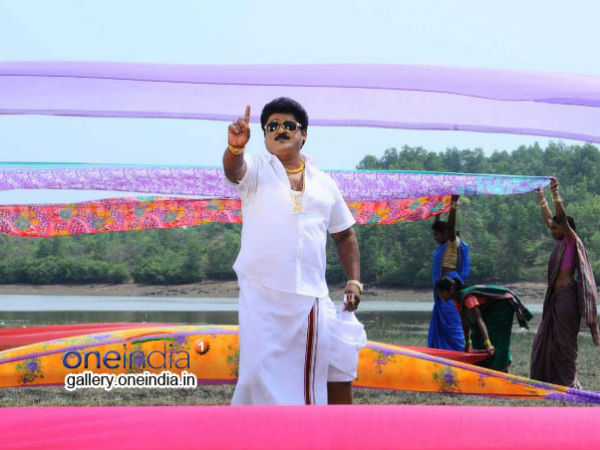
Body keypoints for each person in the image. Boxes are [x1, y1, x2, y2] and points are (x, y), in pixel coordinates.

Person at [222, 98, 366, 405]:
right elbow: (234, 171)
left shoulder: (325, 184)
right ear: (264, 137)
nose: (280, 130)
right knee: (255, 375)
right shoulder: (256, 171)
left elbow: (345, 235)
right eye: (272, 126)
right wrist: (235, 148)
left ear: (303, 134)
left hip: (308, 299)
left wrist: (354, 281)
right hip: (261, 296)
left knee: (306, 381)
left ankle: (307, 429)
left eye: (289, 125)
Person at [530, 179, 599, 387]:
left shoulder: (571, 240)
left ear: (565, 228)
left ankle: (569, 382)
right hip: (555, 298)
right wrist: (540, 195)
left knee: (566, 342)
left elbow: (559, 217)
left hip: (568, 298)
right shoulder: (559, 242)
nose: (551, 230)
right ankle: (550, 379)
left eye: (555, 228)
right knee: (546, 339)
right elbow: (549, 218)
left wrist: (555, 191)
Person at [435, 276, 532, 372]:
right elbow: (464, 322)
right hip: (488, 309)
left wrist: (488, 344)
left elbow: (479, 319)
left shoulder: (468, 298)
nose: (440, 295)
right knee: (476, 337)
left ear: (451, 290)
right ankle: (483, 369)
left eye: (441, 292)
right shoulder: (457, 301)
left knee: (497, 341)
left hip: (501, 306)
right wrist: (467, 344)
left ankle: (501, 369)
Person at [427, 195, 471, 351]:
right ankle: (443, 352)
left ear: (447, 233)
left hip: (450, 287)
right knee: (443, 325)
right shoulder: (443, 245)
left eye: (437, 235)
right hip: (442, 289)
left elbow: (451, 226)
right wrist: (438, 209)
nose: (435, 238)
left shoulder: (452, 243)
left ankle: (459, 350)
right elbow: (439, 224)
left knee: (452, 323)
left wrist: (453, 204)